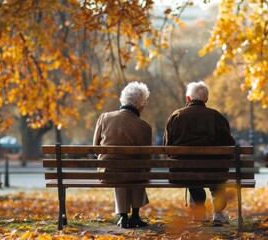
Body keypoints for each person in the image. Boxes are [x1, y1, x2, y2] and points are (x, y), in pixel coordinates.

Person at [163, 81, 235, 226]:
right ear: (206, 99)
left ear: (188, 99)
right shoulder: (216, 117)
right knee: (216, 170)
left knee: (190, 169)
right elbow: (229, 146)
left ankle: (199, 210)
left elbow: (166, 147)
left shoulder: (176, 116)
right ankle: (218, 213)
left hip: (183, 172)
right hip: (214, 170)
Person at [93, 81, 151, 228]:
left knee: (119, 170)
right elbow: (146, 159)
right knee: (139, 170)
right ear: (140, 104)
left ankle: (123, 217)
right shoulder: (144, 126)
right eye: (145, 102)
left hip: (108, 172)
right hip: (135, 174)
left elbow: (95, 148)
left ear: (123, 99)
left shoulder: (104, 117)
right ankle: (135, 215)